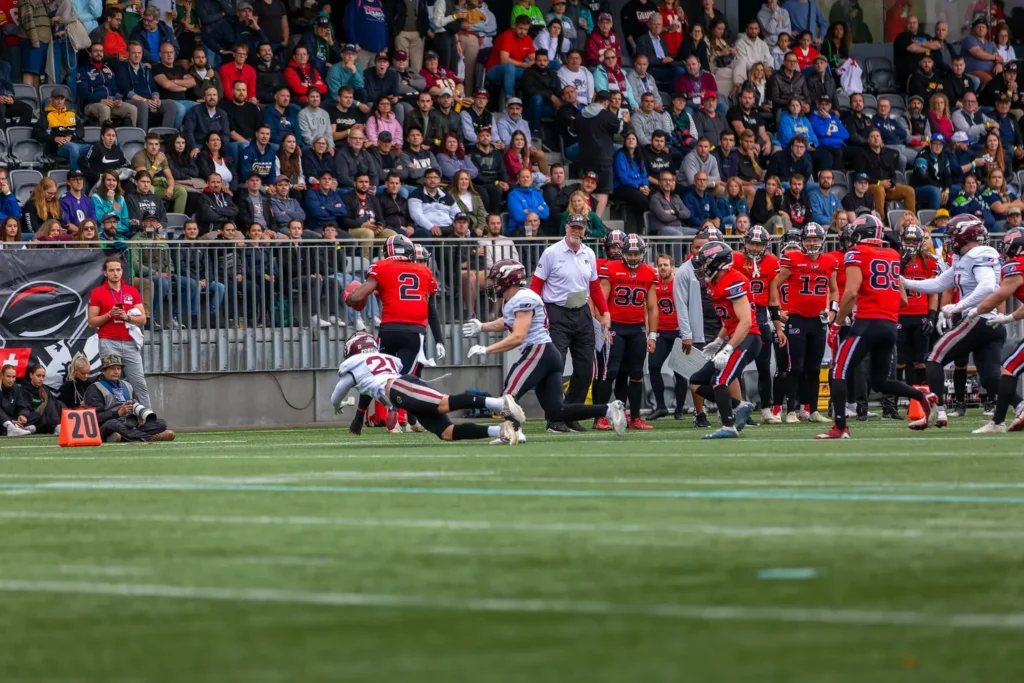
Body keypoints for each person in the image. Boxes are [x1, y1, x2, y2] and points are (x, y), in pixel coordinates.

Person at [461, 259, 626, 440]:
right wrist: (482, 326)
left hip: (538, 352)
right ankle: (609, 410)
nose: (492, 283)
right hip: (546, 354)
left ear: (507, 280)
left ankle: (513, 433)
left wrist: (486, 349)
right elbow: (508, 321)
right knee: (558, 410)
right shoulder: (516, 299)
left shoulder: (524, 299)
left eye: (495, 279)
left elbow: (518, 336)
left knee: (509, 396)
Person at [815, 217, 937, 438]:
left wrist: (837, 323)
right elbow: (903, 300)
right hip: (890, 324)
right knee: (880, 381)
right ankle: (922, 397)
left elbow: (851, 292)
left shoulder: (857, 253)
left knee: (839, 371)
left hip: (867, 322)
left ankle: (840, 427)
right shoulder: (892, 254)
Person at [902, 215, 1002, 429]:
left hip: (978, 319)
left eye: (953, 235)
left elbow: (988, 287)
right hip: (989, 324)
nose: (950, 240)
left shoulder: (979, 253)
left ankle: (938, 413)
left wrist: (958, 306)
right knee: (991, 376)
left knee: (934, 357)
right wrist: (903, 281)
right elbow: (938, 283)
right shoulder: (961, 257)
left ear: (966, 235)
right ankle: (1020, 408)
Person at [334, 331, 521, 443]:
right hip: (404, 389)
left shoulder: (354, 365)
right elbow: (372, 384)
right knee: (446, 433)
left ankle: (498, 403)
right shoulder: (385, 359)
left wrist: (337, 406)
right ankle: (501, 431)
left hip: (400, 388)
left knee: (443, 403)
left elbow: (337, 394)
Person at [344, 235, 446, 432]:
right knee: (404, 378)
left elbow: (359, 295)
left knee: (376, 373)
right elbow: (431, 309)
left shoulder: (380, 267)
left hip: (389, 329)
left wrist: (350, 299)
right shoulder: (424, 271)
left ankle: (358, 419)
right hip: (414, 332)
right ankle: (396, 411)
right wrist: (440, 339)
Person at [528, 213, 609, 432]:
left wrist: (605, 312)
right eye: (573, 227)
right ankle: (554, 418)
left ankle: (571, 414)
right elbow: (536, 286)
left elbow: (594, 287)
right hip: (556, 312)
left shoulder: (589, 253)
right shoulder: (551, 253)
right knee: (556, 365)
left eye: (580, 228)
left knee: (585, 368)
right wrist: (534, 314)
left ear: (585, 230)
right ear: (566, 227)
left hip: (581, 312)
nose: (576, 231)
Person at [686, 241, 759, 439]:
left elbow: (745, 322)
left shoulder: (734, 280)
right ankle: (740, 406)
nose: (702, 267)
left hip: (748, 339)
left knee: (719, 380)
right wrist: (719, 341)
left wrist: (727, 349)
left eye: (705, 263)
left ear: (717, 262)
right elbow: (730, 319)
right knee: (696, 381)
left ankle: (729, 426)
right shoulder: (715, 283)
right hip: (735, 337)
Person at [768, 222, 836, 422]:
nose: (812, 243)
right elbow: (774, 283)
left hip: (817, 319)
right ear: (803, 241)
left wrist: (833, 310)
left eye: (815, 239)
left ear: (822, 240)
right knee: (795, 367)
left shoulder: (830, 261)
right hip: (796, 318)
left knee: (814, 368)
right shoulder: (793, 259)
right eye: (808, 239)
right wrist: (777, 310)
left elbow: (834, 289)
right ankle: (790, 411)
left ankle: (811, 410)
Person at [590, 234, 657, 430]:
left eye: (637, 253)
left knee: (636, 373)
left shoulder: (649, 273)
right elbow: (601, 301)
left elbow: (652, 307)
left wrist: (652, 335)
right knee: (609, 373)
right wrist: (602, 325)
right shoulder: (611, 269)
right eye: (630, 253)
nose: (634, 257)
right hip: (615, 328)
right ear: (623, 253)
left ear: (643, 254)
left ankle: (634, 417)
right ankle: (600, 417)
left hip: (636, 328)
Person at [87, 256, 150, 409]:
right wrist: (109, 315)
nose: (115, 273)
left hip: (129, 342)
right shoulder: (97, 292)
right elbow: (91, 322)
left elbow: (143, 319)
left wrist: (126, 317)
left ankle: (148, 418)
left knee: (138, 381)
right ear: (105, 273)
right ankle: (114, 417)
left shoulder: (131, 291)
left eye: (118, 270)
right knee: (111, 380)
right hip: (108, 341)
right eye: (111, 270)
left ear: (122, 271)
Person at [84, 353, 173, 443]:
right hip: (106, 426)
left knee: (161, 423)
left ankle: (122, 437)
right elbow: (94, 418)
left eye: (118, 368)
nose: (116, 372)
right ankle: (148, 438)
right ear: (103, 371)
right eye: (112, 369)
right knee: (112, 424)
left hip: (129, 423)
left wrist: (140, 416)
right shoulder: (95, 388)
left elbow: (135, 404)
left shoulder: (127, 385)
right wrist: (117, 413)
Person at [576, 91, 627, 218]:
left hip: (584, 157)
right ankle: (595, 221)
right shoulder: (606, 115)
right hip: (602, 158)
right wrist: (625, 120)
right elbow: (621, 129)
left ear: (595, 99)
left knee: (588, 189)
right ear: (606, 102)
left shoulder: (582, 114)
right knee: (602, 190)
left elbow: (572, 130)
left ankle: (587, 217)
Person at [851, 130, 916, 216]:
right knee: (879, 190)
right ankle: (881, 221)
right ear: (868, 140)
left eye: (878, 136)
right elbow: (862, 176)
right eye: (872, 136)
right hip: (870, 186)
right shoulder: (862, 154)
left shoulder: (887, 154)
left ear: (881, 139)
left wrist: (892, 183)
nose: (876, 138)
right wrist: (879, 182)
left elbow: (893, 173)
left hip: (887, 186)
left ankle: (912, 220)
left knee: (909, 190)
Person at [0, 364, 37, 437]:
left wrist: (22, 415)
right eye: (8, 376)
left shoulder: (16, 388)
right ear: (2, 376)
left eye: (13, 377)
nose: (11, 380)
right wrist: (10, 421)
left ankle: (17, 428)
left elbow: (22, 404)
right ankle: (11, 428)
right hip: (3, 420)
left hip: (12, 418)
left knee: (36, 415)